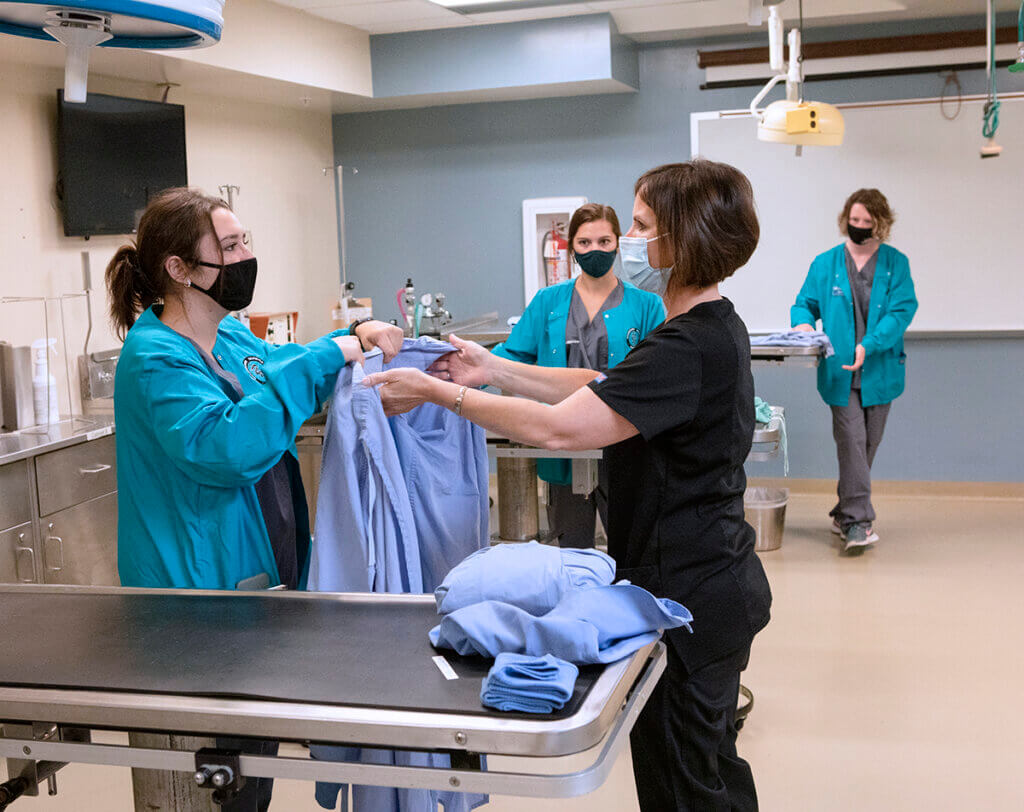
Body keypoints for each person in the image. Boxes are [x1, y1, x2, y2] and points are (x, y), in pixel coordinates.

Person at [363, 160, 773, 811]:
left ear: (682, 238)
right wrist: (493, 369)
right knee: (707, 766)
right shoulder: (705, 328)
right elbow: (600, 389)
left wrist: (438, 393)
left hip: (693, 588)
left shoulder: (687, 344)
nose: (626, 245)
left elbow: (560, 431)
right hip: (707, 577)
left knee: (689, 783)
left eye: (639, 228)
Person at [104, 186, 403, 812]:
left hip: (256, 589)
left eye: (245, 242)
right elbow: (226, 448)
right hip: (193, 609)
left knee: (250, 770)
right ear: (179, 270)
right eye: (230, 246)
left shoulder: (233, 338)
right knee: (211, 780)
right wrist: (331, 351)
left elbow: (292, 366)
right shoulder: (155, 358)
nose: (245, 257)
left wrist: (356, 336)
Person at [493, 203, 665, 548]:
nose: (595, 250)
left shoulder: (647, 305)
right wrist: (466, 371)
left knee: (629, 547)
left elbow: (658, 373)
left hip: (623, 439)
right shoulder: (548, 301)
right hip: (564, 438)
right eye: (585, 243)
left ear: (617, 243)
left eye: (604, 241)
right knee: (571, 548)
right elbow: (510, 355)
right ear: (572, 247)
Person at [792, 189, 917, 555]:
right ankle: (858, 523)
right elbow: (804, 304)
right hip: (839, 370)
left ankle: (842, 511)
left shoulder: (896, 263)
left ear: (881, 224)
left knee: (865, 447)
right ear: (845, 218)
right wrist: (801, 325)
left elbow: (901, 311)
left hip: (880, 369)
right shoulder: (826, 262)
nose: (859, 228)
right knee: (851, 441)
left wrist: (870, 344)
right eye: (854, 220)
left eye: (867, 223)